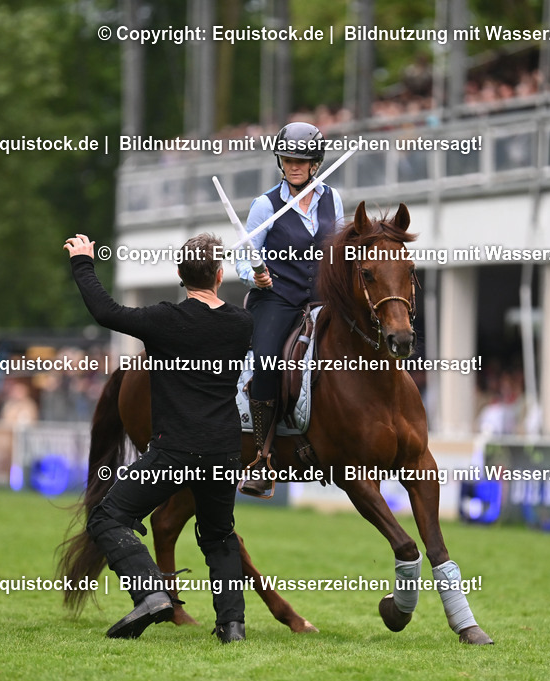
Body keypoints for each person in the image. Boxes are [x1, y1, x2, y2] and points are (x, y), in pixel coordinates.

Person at [64, 232, 251, 643]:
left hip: (175, 451)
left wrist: (83, 262)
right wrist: (266, 285)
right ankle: (232, 627)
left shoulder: (164, 320)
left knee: (106, 517)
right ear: (220, 275)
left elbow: (105, 311)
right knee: (219, 535)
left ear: (180, 275)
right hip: (224, 452)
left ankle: (151, 594)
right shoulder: (242, 324)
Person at [234, 122, 344, 497]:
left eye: (302, 160)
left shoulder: (333, 199)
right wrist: (255, 276)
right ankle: (261, 458)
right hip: (276, 298)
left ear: (315, 164)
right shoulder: (265, 205)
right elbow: (242, 258)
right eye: (288, 159)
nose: (294, 165)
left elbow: (338, 251)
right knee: (267, 362)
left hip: (321, 298)